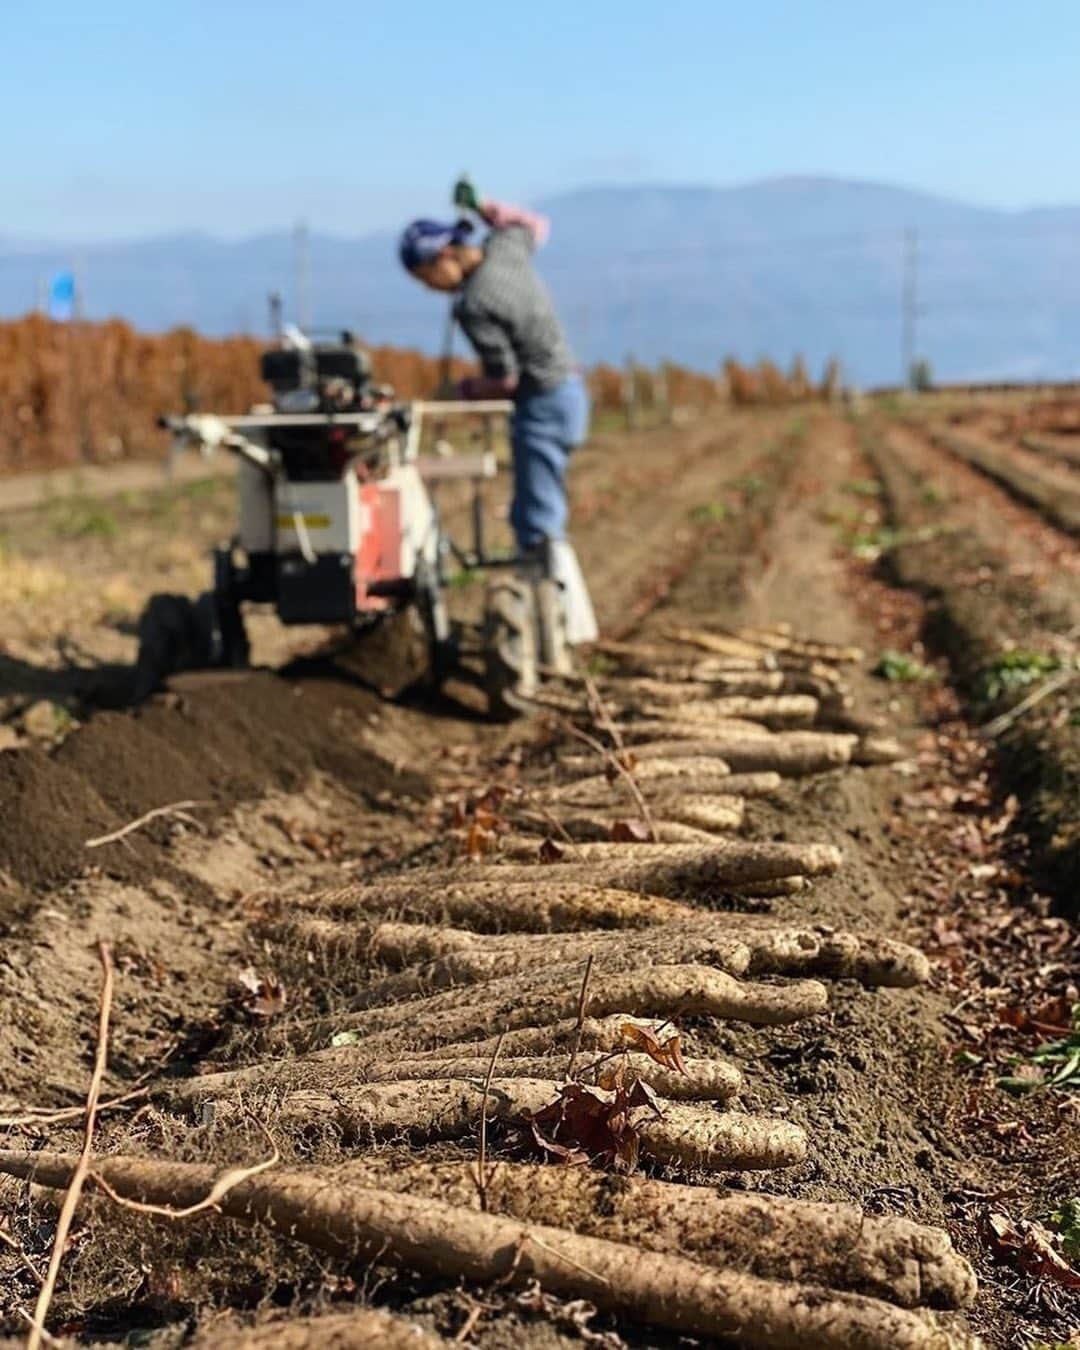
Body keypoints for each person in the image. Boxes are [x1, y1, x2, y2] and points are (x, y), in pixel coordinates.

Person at [398, 180, 597, 645]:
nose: (433, 291)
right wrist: (483, 206)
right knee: (540, 510)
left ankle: (559, 629)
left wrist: (465, 390)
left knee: (538, 522)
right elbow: (532, 225)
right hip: (570, 392)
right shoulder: (504, 252)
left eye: (428, 279)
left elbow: (505, 378)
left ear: (444, 258)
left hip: (542, 404)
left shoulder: (474, 304)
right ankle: (563, 624)